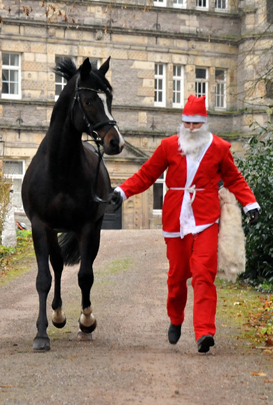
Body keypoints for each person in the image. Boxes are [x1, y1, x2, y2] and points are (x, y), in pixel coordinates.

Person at [107, 94, 260, 353]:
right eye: (186, 123)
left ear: (205, 123)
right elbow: (147, 174)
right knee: (177, 277)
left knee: (203, 274)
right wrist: (122, 192)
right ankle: (175, 318)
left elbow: (234, 179)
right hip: (176, 218)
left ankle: (204, 332)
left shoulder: (220, 148)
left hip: (206, 219)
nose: (190, 128)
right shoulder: (169, 146)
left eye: (195, 124)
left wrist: (250, 203)